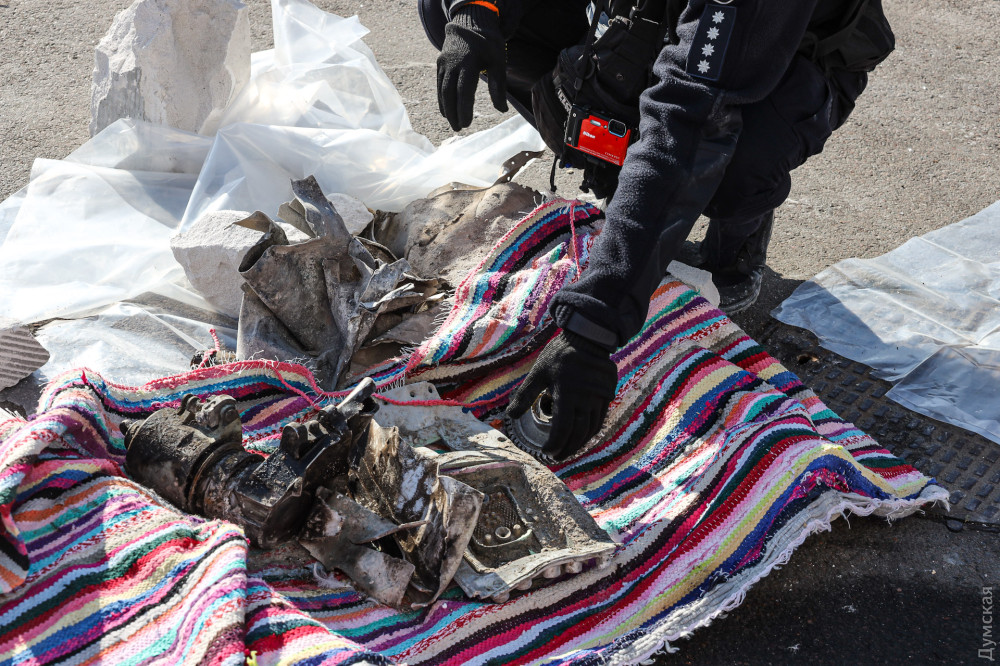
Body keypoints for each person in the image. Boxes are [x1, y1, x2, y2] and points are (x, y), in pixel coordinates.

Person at [419, 0, 889, 461]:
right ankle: (625, 180)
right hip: (654, 16)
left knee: (731, 162)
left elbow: (690, 115)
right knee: (446, 11)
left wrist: (592, 329)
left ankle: (735, 234)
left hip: (784, 50)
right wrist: (477, 9)